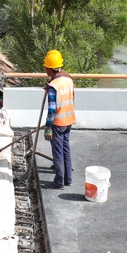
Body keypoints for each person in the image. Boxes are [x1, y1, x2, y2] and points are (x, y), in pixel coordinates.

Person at [43, 49, 76, 189]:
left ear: (49, 68)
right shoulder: (68, 80)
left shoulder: (53, 87)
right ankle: (68, 179)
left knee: (57, 152)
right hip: (69, 119)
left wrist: (48, 127)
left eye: (46, 67)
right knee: (65, 149)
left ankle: (59, 181)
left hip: (58, 123)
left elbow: (52, 110)